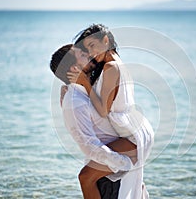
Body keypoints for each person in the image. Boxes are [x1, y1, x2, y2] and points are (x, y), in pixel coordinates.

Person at [68, 24, 154, 198]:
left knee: (86, 177)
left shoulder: (111, 68)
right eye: (87, 49)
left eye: (92, 45)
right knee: (98, 171)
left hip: (132, 136)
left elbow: (103, 110)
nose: (90, 52)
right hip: (132, 130)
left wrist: (84, 83)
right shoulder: (113, 65)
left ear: (105, 40)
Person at [50, 44, 146, 199]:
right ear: (74, 69)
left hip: (114, 165)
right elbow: (89, 145)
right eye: (82, 54)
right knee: (85, 178)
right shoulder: (75, 102)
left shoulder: (88, 89)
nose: (88, 53)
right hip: (110, 171)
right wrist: (124, 163)